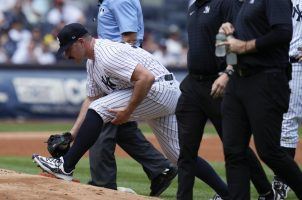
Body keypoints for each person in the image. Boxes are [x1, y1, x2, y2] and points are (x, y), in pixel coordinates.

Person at [32, 22, 181, 191]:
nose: (66, 55)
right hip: (160, 91)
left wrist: (128, 111)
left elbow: (146, 78)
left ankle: (66, 166)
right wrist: (72, 134)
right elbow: (90, 99)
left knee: (101, 108)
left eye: (68, 49)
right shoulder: (91, 62)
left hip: (160, 89)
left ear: (81, 42)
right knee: (180, 156)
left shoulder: (106, 54)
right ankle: (218, 190)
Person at [176, 0, 273, 199]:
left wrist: (229, 72)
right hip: (192, 85)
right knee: (186, 151)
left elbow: (238, 37)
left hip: (219, 84)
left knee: (235, 147)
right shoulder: (193, 7)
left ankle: (265, 190)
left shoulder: (225, 3)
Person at [88, 0, 177, 196]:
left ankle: (102, 184)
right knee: (122, 125)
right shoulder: (107, 2)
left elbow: (130, 38)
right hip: (113, 66)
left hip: (119, 67)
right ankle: (159, 168)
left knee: (103, 117)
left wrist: (117, 70)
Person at [219, 0, 302, 199]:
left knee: (269, 151)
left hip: (266, 78)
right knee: (233, 150)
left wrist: (245, 45)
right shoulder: (243, 3)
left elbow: (283, 33)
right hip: (239, 78)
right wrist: (226, 32)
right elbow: (231, 45)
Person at [272, 0, 302, 199]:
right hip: (283, 65)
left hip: (296, 63)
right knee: (286, 123)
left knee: (287, 123)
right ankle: (282, 181)